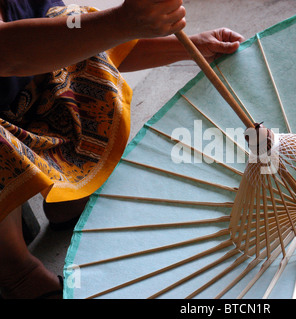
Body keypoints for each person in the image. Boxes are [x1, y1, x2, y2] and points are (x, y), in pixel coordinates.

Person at [0, 0, 244, 299]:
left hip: (24, 102)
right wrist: (122, 21)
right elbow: (7, 53)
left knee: (70, 23)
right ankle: (16, 270)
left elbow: (85, 39)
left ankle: (67, 196)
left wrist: (190, 47)